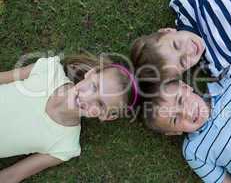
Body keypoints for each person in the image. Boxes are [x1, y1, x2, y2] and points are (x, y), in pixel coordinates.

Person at [0, 54, 138, 183]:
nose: (86, 98)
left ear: (106, 116)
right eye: (94, 86)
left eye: (100, 104)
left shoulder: (65, 145)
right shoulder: (49, 71)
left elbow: (12, 175)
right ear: (91, 73)